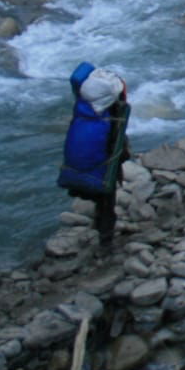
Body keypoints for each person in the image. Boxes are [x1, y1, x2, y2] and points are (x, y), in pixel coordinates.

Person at [57, 62, 130, 249]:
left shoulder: (83, 110)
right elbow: (116, 148)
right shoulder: (111, 119)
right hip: (100, 168)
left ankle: (99, 226)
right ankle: (106, 242)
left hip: (78, 166)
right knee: (107, 203)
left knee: (101, 201)